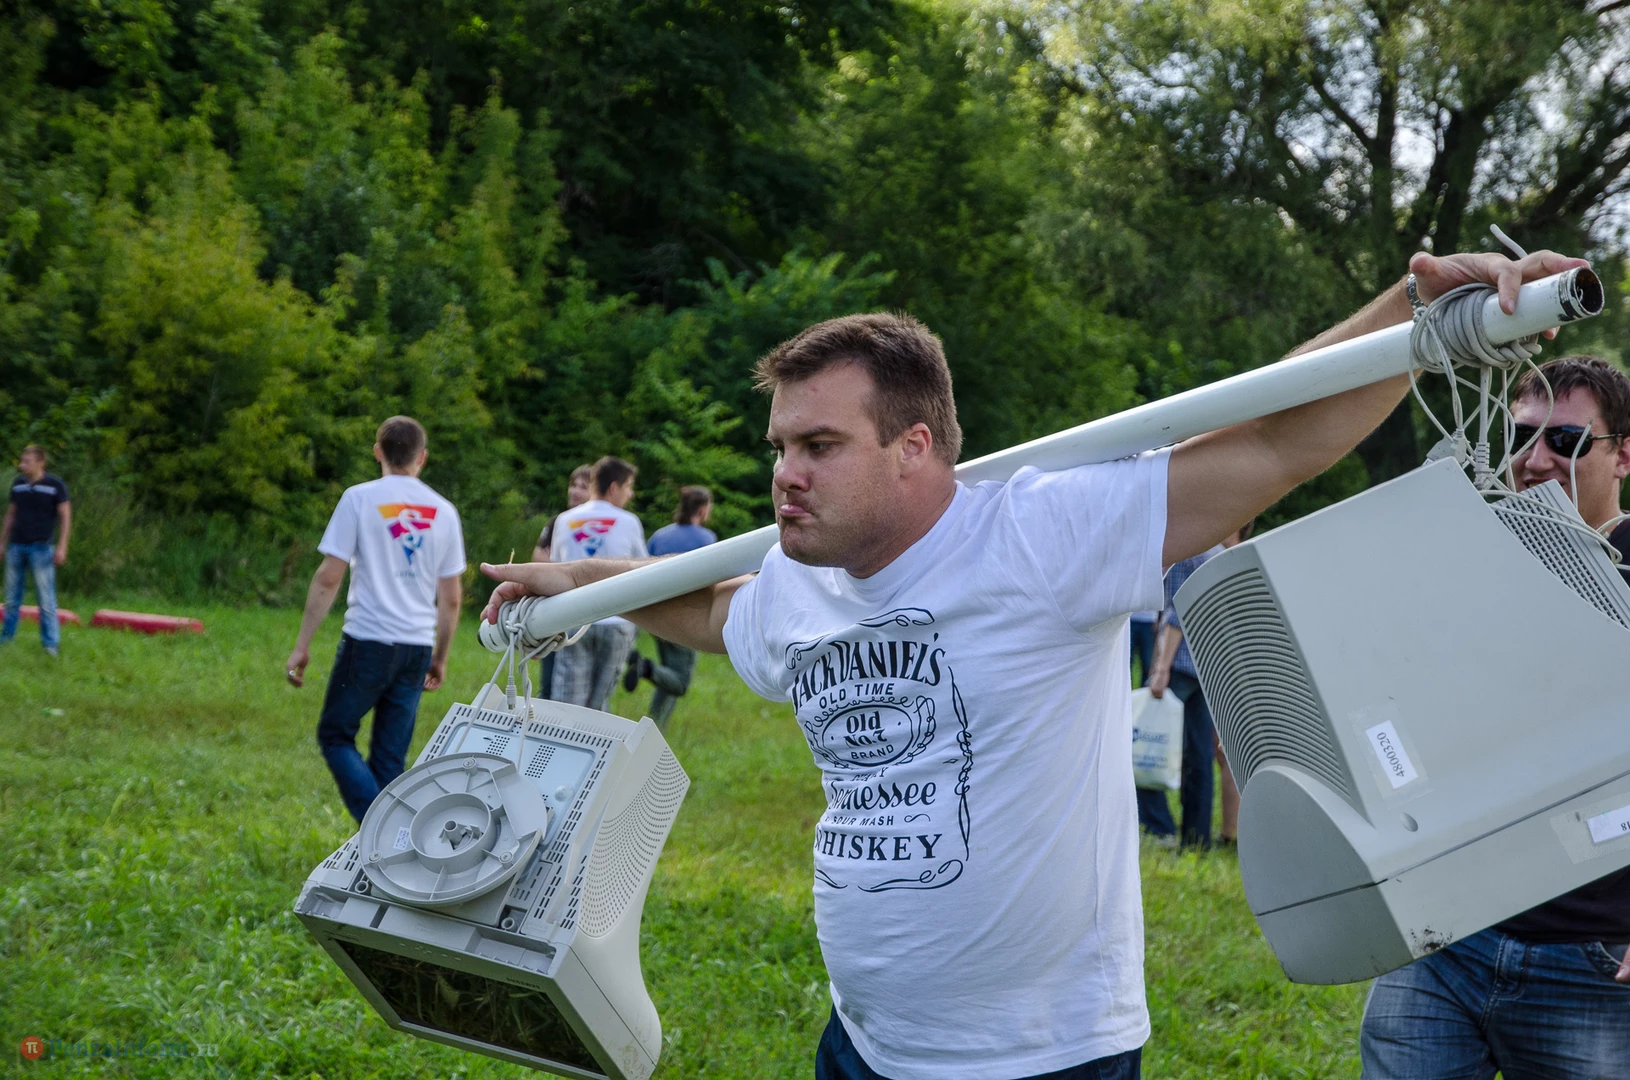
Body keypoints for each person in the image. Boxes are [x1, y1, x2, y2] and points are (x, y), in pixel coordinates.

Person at [480, 248, 1582, 1080]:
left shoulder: (1038, 532)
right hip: (862, 1043)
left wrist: (1413, 315)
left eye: (819, 446)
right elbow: (713, 611)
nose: (785, 475)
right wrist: (578, 586)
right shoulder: (798, 583)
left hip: (1042, 1057)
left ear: (914, 447)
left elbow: (1263, 437)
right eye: (780, 446)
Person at [1359, 354, 1630, 1079]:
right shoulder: (1473, 558)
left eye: (1565, 440)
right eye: (1520, 436)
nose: (1534, 460)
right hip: (1447, 938)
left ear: (1624, 456)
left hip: (1593, 958)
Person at [284, 417, 466, 823]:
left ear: (377, 452)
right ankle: (391, 842)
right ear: (422, 457)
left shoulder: (359, 499)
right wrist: (439, 657)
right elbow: (451, 598)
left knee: (335, 735)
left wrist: (302, 645)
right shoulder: (444, 511)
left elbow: (329, 577)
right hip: (416, 647)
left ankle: (384, 828)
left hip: (368, 641)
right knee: (389, 760)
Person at [1141, 520, 1253, 847]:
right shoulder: (1223, 557)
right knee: (1200, 756)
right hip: (1206, 668)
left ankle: (1158, 825)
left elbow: (1177, 615)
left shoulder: (1190, 554)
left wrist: (1161, 669)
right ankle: (1197, 838)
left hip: (1178, 665)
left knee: (1147, 740)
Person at [548, 456, 647, 710]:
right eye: (628, 487)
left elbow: (555, 571)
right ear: (614, 487)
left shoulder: (564, 520)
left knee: (567, 705)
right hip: (617, 621)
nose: (630, 494)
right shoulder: (629, 522)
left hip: (573, 619)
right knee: (599, 706)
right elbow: (644, 570)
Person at [623, 485, 718, 731]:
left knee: (669, 673)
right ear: (702, 510)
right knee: (681, 682)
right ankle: (645, 667)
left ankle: (655, 727)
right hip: (686, 615)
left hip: (655, 614)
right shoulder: (706, 539)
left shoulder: (660, 536)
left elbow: (641, 570)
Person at [2, 445, 71, 657]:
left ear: (40, 463)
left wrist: (62, 546)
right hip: (17, 545)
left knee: (46, 599)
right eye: (22, 460)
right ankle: (7, 637)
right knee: (11, 597)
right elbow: (11, 514)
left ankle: (50, 644)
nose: (22, 465)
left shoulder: (55, 485)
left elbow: (65, 516)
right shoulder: (18, 485)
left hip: (41, 547)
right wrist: (2, 542)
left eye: (27, 461)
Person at [530, 464, 593, 698]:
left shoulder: (601, 525)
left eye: (583, 487)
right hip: (558, 608)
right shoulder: (558, 521)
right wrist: (565, 573)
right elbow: (538, 556)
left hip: (590, 612)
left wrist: (562, 569)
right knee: (550, 679)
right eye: (573, 485)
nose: (575, 491)